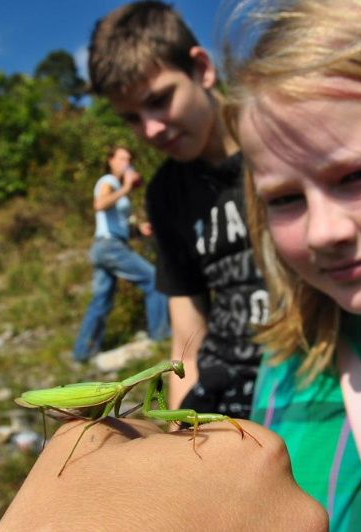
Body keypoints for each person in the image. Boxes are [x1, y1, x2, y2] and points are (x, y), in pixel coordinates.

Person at [0, 0, 361, 530]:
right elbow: (186, 317)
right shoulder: (287, 373)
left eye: (356, 175)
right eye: (283, 199)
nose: (324, 231)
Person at [86, 1, 269, 417]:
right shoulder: (165, 194)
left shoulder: (283, 140)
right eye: (131, 118)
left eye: (160, 100)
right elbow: (186, 338)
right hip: (223, 393)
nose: (149, 128)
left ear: (202, 69)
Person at [72, 145, 169, 361]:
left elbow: (115, 222)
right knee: (154, 280)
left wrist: (137, 230)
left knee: (102, 300)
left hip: (105, 245)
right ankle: (161, 337)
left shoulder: (116, 186)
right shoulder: (108, 181)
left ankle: (83, 352)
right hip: (110, 247)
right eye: (123, 159)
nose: (128, 164)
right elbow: (100, 205)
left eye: (130, 160)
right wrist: (126, 188)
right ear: (110, 160)